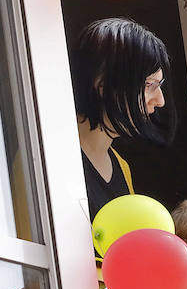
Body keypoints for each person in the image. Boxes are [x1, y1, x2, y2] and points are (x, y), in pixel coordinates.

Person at [72, 18, 176, 221]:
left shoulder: (121, 166)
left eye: (159, 85)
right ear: (102, 83)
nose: (160, 100)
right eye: (149, 85)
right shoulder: (51, 158)